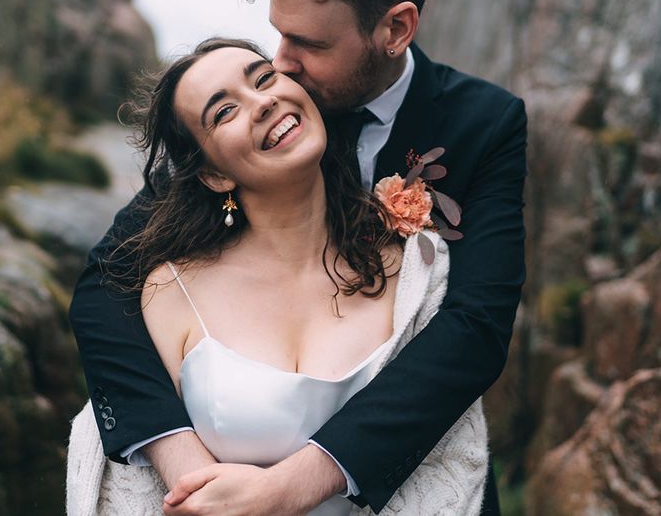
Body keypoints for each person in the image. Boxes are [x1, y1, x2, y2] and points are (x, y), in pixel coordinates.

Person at [68, 0, 527, 515]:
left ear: (395, 28)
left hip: (412, 478)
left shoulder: (486, 124)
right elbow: (102, 285)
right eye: (276, 35)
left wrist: (290, 489)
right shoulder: (271, 120)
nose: (280, 65)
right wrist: (182, 462)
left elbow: (475, 329)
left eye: (307, 44)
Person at [66, 38, 488, 515]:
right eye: (224, 112)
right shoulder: (171, 289)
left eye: (264, 78)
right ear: (213, 175)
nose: (263, 100)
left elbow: (455, 407)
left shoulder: (415, 271)